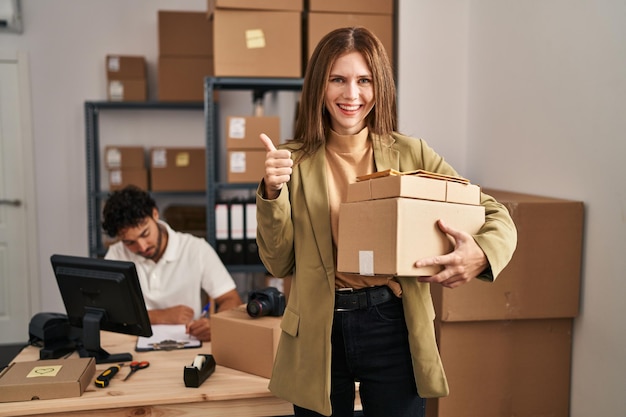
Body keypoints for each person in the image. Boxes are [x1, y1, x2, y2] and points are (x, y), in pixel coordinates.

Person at [256, 27, 517, 417]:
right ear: (318, 88)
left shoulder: (412, 154)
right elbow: (278, 264)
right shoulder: (290, 161)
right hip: (318, 327)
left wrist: (480, 253)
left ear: (380, 87)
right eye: (337, 80)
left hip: (392, 322)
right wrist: (272, 194)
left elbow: (495, 213)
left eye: (364, 80)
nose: (351, 95)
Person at [101, 185, 242, 342]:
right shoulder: (117, 253)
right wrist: (161, 316)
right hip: (132, 344)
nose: (142, 246)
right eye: (129, 242)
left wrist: (216, 325)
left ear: (155, 214)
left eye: (145, 234)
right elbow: (106, 312)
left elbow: (231, 299)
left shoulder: (196, 249)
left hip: (187, 342)